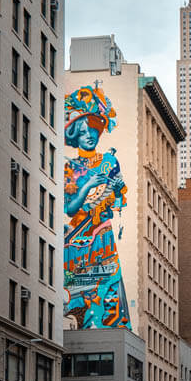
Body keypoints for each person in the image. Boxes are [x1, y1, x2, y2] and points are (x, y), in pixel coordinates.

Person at [64, 86, 131, 330]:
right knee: (79, 294)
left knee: (108, 295)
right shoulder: (69, 168)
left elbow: (120, 198)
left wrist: (114, 194)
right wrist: (87, 186)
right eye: (82, 132)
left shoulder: (109, 161)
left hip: (103, 235)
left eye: (92, 129)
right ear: (74, 136)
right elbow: (70, 209)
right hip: (77, 241)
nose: (89, 135)